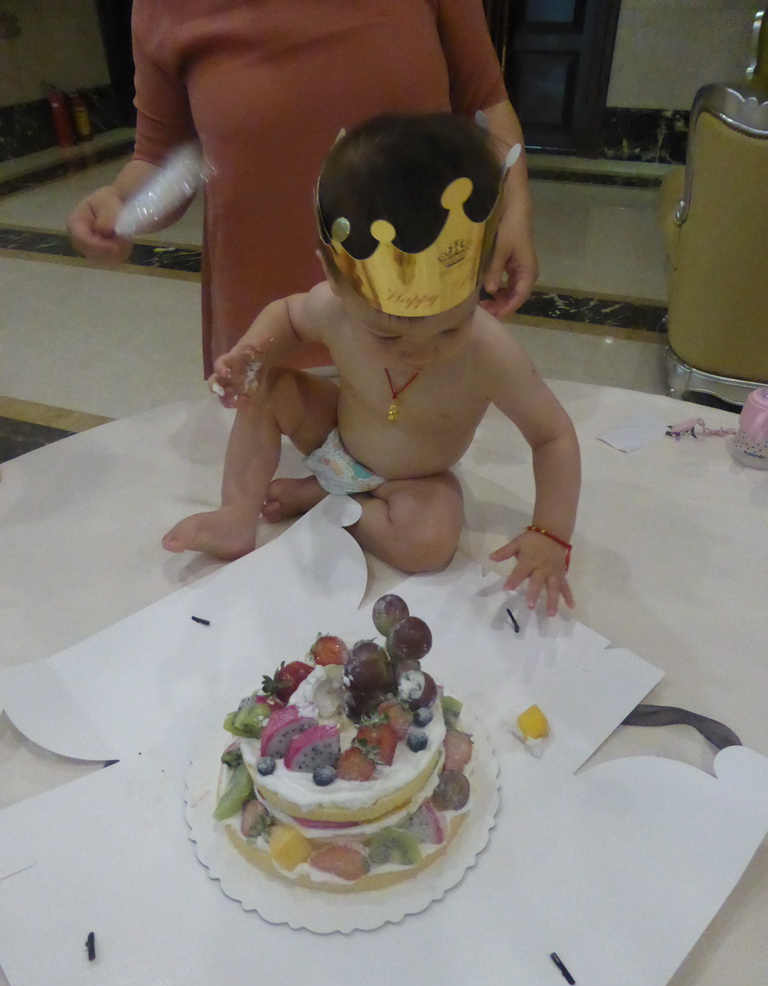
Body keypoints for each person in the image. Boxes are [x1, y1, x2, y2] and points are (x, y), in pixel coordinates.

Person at [162, 113, 580, 615]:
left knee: (429, 543)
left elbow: (552, 436)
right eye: (386, 333)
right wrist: (254, 354)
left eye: (450, 327)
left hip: (415, 480)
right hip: (334, 432)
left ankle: (322, 499)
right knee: (270, 389)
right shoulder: (334, 306)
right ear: (336, 280)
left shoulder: (487, 353)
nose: (419, 351)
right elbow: (288, 319)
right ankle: (236, 514)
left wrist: (550, 534)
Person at [66, 0, 537, 377]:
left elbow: (486, 104)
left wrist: (515, 213)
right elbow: (161, 156)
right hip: (265, 323)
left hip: (420, 313)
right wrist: (120, 202)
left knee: (419, 476)